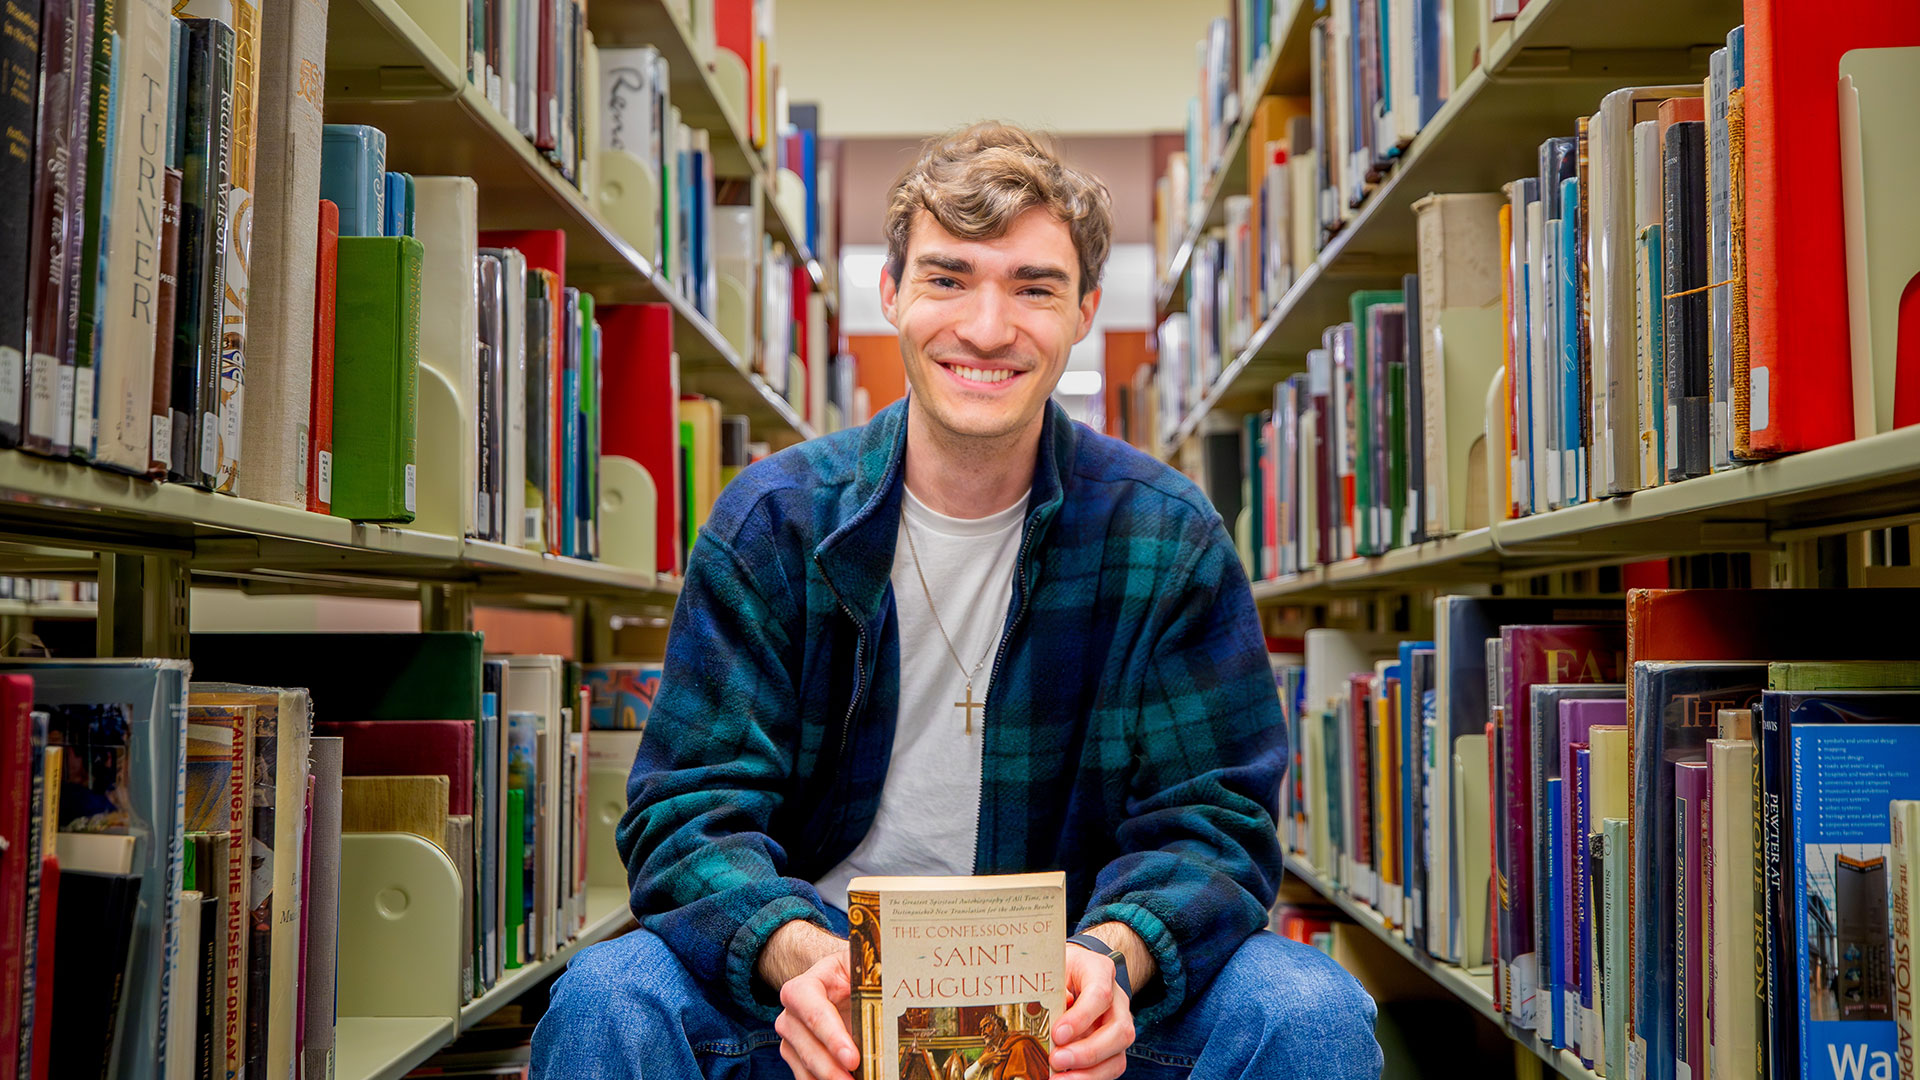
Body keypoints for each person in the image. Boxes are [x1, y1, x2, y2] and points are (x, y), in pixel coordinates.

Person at [531, 121, 1381, 1080]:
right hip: (822, 995)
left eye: (1033, 288)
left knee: (1309, 1009)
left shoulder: (1169, 537)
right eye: (947, 278)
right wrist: (802, 958)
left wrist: (1108, 960)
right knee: (608, 998)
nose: (986, 328)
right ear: (891, 294)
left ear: (1086, 311)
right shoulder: (774, 522)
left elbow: (1216, 824)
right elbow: (686, 814)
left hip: (1068, 1001)